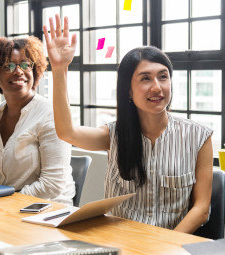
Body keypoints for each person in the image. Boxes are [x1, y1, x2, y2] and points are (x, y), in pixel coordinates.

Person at [43, 14, 213, 233]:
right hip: (121, 243)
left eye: (163, 76)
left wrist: (168, 246)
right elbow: (67, 132)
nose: (157, 87)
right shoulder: (114, 134)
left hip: (172, 245)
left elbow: (201, 209)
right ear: (129, 91)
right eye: (145, 78)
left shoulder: (198, 137)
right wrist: (59, 70)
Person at [0, 36, 75, 205]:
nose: (18, 71)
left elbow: (52, 184)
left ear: (34, 70)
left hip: (47, 210)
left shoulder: (50, 113)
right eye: (8, 66)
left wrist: (6, 203)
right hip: (4, 209)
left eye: (25, 64)